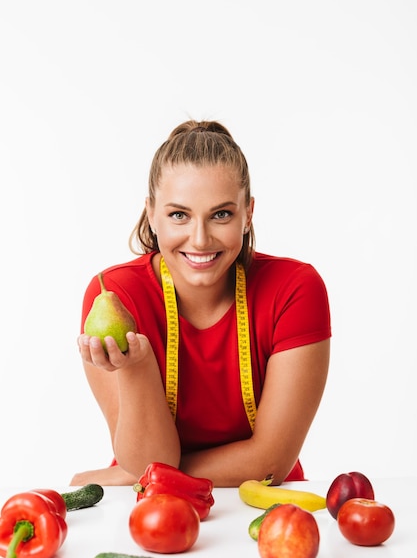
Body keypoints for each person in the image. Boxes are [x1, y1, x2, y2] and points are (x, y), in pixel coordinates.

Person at [71, 120, 331, 488]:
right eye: (179, 215)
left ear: (248, 214)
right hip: (152, 511)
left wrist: (135, 475)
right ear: (151, 213)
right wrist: (137, 366)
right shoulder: (114, 298)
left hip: (262, 503)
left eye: (221, 214)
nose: (200, 239)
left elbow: (271, 462)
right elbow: (149, 460)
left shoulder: (294, 290)